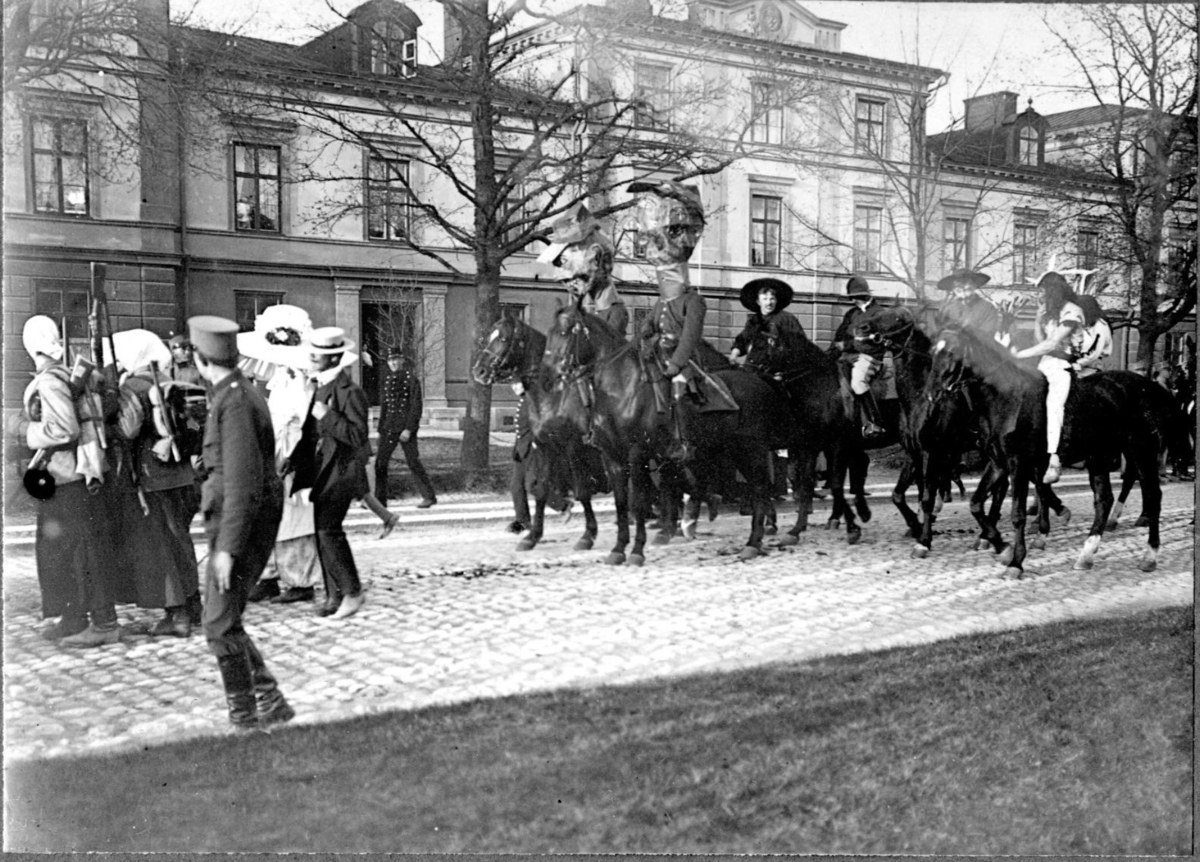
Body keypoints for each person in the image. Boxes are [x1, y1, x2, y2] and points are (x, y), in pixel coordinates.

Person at [187, 314, 292, 730]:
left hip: (241, 528)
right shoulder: (234, 395)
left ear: (201, 358)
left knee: (218, 622)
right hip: (239, 524)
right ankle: (267, 702)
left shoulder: (234, 402)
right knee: (222, 620)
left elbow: (243, 484)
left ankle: (248, 716)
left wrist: (228, 549)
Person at [18, 316, 122, 647]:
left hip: (67, 478)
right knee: (65, 552)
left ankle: (103, 624)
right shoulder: (68, 375)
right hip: (73, 477)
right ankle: (73, 617)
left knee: (81, 552)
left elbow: (64, 430)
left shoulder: (50, 381)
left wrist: (20, 430)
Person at [112, 330, 203, 637]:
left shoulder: (133, 386)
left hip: (151, 478)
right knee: (181, 540)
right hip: (182, 474)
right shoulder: (171, 381)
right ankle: (194, 607)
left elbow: (127, 431)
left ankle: (176, 615)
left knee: (160, 546)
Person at [292, 326, 370, 620]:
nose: (312, 358)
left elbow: (358, 435)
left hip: (342, 472)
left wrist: (328, 415)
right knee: (322, 533)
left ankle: (352, 592)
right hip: (321, 472)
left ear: (335, 358)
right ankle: (334, 594)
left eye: (319, 355)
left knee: (329, 532)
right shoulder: (319, 386)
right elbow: (311, 434)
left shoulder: (350, 392)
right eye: (313, 352)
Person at [632, 180, 708, 461]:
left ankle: (684, 443)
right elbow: (647, 328)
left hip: (684, 362)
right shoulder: (662, 302)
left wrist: (676, 364)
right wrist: (639, 344)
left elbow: (690, 338)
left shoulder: (693, 302)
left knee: (678, 392)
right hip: (658, 359)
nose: (663, 280)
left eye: (668, 276)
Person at [1012, 272, 1086, 485]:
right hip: (1044, 363)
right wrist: (1037, 318)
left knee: (1055, 405)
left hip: (1063, 364)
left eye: (1043, 290)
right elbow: (1040, 340)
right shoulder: (1049, 312)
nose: (1040, 294)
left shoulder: (1072, 311)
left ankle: (1055, 458)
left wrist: (1018, 355)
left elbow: (1052, 344)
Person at [538, 204, 629, 338]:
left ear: (597, 259)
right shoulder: (579, 312)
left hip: (606, 309)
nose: (569, 284)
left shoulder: (612, 313)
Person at [375, 347, 436, 509]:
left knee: (413, 462)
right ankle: (380, 500)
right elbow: (385, 406)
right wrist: (381, 428)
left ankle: (429, 497)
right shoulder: (387, 379)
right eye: (390, 360)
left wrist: (409, 429)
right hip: (388, 427)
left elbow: (416, 406)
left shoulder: (411, 379)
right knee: (380, 463)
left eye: (396, 359)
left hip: (405, 428)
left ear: (402, 360)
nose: (393, 363)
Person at [831, 275, 888, 439]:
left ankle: (874, 423)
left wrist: (847, 345)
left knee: (857, 383)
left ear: (863, 296)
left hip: (869, 357)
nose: (853, 301)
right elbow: (840, 337)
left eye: (855, 297)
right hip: (848, 356)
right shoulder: (851, 314)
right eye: (852, 298)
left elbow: (879, 342)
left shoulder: (880, 313)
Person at [729, 276, 807, 373]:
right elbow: (743, 340)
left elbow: (799, 345)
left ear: (776, 300)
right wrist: (734, 355)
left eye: (772, 299)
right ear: (758, 302)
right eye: (765, 299)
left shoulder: (787, 319)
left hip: (778, 372)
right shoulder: (754, 320)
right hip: (753, 368)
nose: (769, 303)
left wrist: (785, 369)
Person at [937, 269, 1003, 341]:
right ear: (953, 290)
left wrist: (966, 329)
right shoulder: (949, 309)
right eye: (958, 289)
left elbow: (988, 337)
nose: (963, 294)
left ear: (974, 286)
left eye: (967, 288)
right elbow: (940, 333)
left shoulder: (987, 308)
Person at [1073, 295, 1113, 378]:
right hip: (1081, 366)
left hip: (1091, 369)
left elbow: (1094, 354)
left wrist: (1076, 365)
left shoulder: (1100, 326)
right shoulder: (1085, 325)